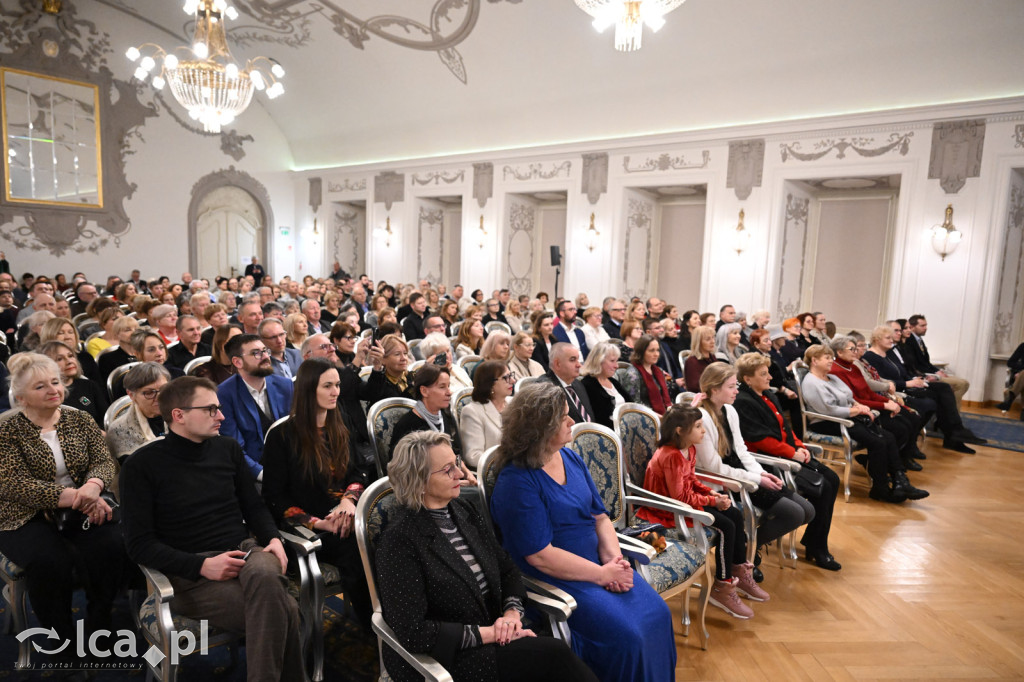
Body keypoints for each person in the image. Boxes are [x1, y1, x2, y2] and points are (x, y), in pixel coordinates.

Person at [120, 376, 304, 682]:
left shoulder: (227, 448)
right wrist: (202, 565)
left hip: (244, 552)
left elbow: (253, 506)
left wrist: (272, 537)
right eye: (211, 410)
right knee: (286, 610)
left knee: (265, 571)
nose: (221, 416)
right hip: (189, 576)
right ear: (178, 415)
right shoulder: (141, 466)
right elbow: (139, 544)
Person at [490, 382, 676, 681]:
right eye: (563, 417)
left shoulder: (570, 457)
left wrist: (615, 562)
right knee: (629, 636)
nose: (572, 421)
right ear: (540, 428)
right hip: (561, 578)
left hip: (601, 565)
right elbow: (540, 556)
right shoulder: (516, 480)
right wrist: (601, 575)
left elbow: (600, 517)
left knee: (659, 615)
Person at [377, 430, 598, 682]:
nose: (460, 474)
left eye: (457, 463)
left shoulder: (462, 510)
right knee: (555, 656)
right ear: (418, 480)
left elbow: (507, 569)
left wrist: (512, 615)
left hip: (494, 632)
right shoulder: (400, 540)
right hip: (446, 657)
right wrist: (492, 633)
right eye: (448, 469)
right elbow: (413, 632)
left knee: (554, 659)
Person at [0, 353, 127, 669]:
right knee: (50, 561)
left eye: (55, 382)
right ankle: (63, 642)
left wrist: (94, 487)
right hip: (23, 513)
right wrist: (77, 496)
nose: (52, 390)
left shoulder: (78, 418)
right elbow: (14, 484)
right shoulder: (6, 429)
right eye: (40, 386)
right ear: (20, 396)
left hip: (85, 503)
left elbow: (102, 460)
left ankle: (100, 621)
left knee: (113, 543)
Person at [261, 358, 372, 628]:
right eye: (328, 386)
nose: (336, 391)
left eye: (337, 385)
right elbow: (275, 498)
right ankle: (378, 626)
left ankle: (399, 619)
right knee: (357, 549)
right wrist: (318, 522)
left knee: (391, 535)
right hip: (310, 530)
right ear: (310, 390)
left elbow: (359, 471)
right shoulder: (283, 436)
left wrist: (349, 500)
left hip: (348, 516)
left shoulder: (340, 423)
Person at [635, 403, 758, 618]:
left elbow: (691, 480)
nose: (703, 430)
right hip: (667, 512)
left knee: (735, 514)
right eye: (699, 426)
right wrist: (712, 501)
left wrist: (713, 493)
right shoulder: (671, 455)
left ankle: (737, 568)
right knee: (725, 527)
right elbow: (679, 497)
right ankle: (722, 585)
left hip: (685, 504)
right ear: (680, 431)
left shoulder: (689, 448)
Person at [695, 363, 813, 582]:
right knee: (794, 513)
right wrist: (755, 479)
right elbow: (714, 468)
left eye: (736, 385)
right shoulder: (701, 417)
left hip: (744, 474)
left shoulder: (729, 410)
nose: (736, 391)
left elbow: (742, 450)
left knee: (807, 510)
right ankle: (747, 551)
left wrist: (762, 474)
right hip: (727, 482)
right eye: (731, 386)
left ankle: (747, 545)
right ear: (713, 390)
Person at [732, 353, 840, 570]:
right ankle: (817, 547)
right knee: (823, 487)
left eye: (768, 372)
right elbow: (760, 438)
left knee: (832, 479)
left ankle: (815, 540)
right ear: (748, 379)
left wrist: (799, 446)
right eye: (763, 374)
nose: (770, 377)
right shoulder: (743, 401)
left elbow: (785, 429)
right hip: (769, 461)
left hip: (787, 453)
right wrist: (792, 453)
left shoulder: (767, 395)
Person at [800, 344, 928, 503]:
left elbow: (848, 396)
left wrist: (858, 405)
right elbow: (828, 410)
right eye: (827, 358)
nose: (831, 361)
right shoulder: (811, 382)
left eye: (831, 357)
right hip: (827, 422)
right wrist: (856, 411)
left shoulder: (832, 377)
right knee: (878, 442)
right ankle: (880, 488)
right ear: (814, 360)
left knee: (888, 437)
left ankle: (900, 480)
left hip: (847, 418)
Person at [828, 336, 927, 471]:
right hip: (863, 411)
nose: (856, 351)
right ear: (839, 352)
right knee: (901, 428)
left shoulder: (853, 367)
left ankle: (893, 460)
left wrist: (888, 401)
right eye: (852, 349)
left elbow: (868, 392)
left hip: (872, 405)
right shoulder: (835, 371)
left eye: (856, 348)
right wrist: (884, 405)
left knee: (911, 418)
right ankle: (890, 464)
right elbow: (855, 400)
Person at [217, 334, 295, 481]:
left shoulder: (285, 385)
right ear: (237, 362)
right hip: (254, 471)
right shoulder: (224, 394)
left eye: (265, 350)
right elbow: (234, 447)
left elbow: (297, 430)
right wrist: (261, 474)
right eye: (256, 353)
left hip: (290, 461)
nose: (265, 356)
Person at [388, 364, 477, 484]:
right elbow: (408, 474)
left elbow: (454, 452)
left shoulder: (442, 417)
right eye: (442, 387)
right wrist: (456, 482)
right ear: (424, 391)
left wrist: (467, 473)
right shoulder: (408, 425)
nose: (449, 392)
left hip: (450, 478)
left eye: (448, 386)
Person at [106, 362, 171, 462]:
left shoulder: (183, 416)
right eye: (149, 392)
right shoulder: (119, 431)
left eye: (164, 389)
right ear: (131, 395)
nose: (159, 397)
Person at [902, 314, 971, 405]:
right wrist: (935, 374)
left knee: (965, 383)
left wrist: (937, 370)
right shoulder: (909, 341)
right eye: (922, 326)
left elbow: (926, 362)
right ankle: (952, 414)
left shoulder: (919, 340)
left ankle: (950, 411)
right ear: (913, 327)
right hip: (924, 375)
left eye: (926, 325)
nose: (925, 328)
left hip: (929, 372)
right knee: (960, 384)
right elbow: (917, 365)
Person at [39, 341, 108, 428]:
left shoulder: (89, 385)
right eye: (60, 359)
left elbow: (106, 419)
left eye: (70, 356)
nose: (69, 361)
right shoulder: (49, 394)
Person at [460, 360, 512, 468]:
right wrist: (508, 462)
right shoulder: (472, 412)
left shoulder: (514, 404)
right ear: (490, 384)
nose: (513, 380)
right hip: (496, 471)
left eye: (511, 376)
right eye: (506, 378)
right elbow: (473, 456)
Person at [579, 341, 629, 429]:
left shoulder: (613, 381)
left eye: (617, 361)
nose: (616, 366)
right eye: (612, 361)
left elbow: (631, 404)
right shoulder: (587, 385)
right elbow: (599, 419)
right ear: (598, 361)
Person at [618, 334, 672, 415]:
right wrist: (656, 416)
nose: (656, 354)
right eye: (651, 350)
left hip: (661, 414)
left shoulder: (658, 371)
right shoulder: (633, 374)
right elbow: (634, 405)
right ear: (641, 352)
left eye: (657, 350)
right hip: (645, 417)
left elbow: (665, 399)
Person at [543, 343, 594, 424]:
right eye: (573, 360)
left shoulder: (578, 384)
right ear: (557, 364)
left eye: (578, 359)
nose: (579, 365)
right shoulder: (545, 389)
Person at [363, 334, 417, 403]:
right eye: (397, 354)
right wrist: (413, 388)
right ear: (383, 359)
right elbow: (396, 408)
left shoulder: (412, 376)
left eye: (405, 353)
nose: (404, 358)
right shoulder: (379, 383)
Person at [684, 325, 719, 392]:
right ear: (698, 342)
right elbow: (694, 387)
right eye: (708, 339)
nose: (713, 341)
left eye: (713, 338)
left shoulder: (712, 357)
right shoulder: (692, 361)